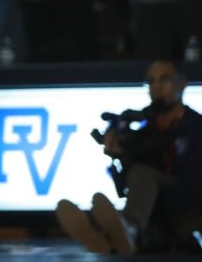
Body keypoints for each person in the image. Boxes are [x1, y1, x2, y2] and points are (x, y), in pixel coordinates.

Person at [57, 60, 202, 254]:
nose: (156, 87)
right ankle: (113, 235)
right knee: (141, 176)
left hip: (188, 210)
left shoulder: (195, 126)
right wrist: (121, 153)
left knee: (145, 175)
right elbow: (132, 182)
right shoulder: (143, 126)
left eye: (164, 79)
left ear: (182, 83)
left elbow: (191, 181)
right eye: (151, 81)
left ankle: (126, 229)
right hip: (156, 214)